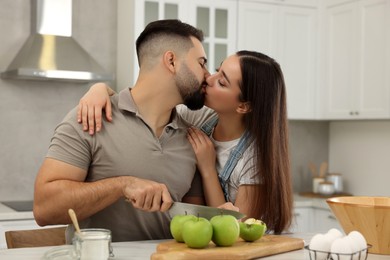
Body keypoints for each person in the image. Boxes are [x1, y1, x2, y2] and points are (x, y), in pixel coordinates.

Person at [33, 19, 211, 242]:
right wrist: (123, 185)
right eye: (201, 63)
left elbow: (191, 220)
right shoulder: (90, 117)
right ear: (171, 61)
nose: (208, 75)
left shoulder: (193, 134)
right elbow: (44, 209)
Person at [78, 51, 293, 234]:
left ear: (243, 106)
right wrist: (101, 89)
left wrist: (207, 168)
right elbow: (144, 102)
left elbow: (234, 232)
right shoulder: (200, 118)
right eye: (217, 69)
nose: (209, 77)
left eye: (222, 81)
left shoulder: (254, 160)